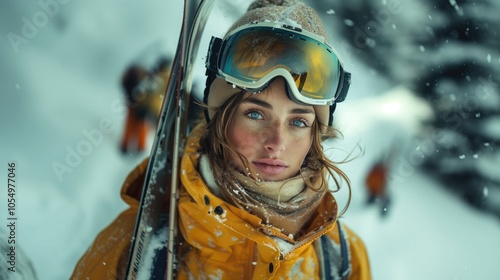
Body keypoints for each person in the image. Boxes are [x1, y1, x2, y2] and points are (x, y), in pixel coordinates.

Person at [72, 0, 371, 279]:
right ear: (219, 119)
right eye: (255, 114)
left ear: (315, 135)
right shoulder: (134, 245)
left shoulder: (341, 259)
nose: (276, 143)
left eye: (298, 122)